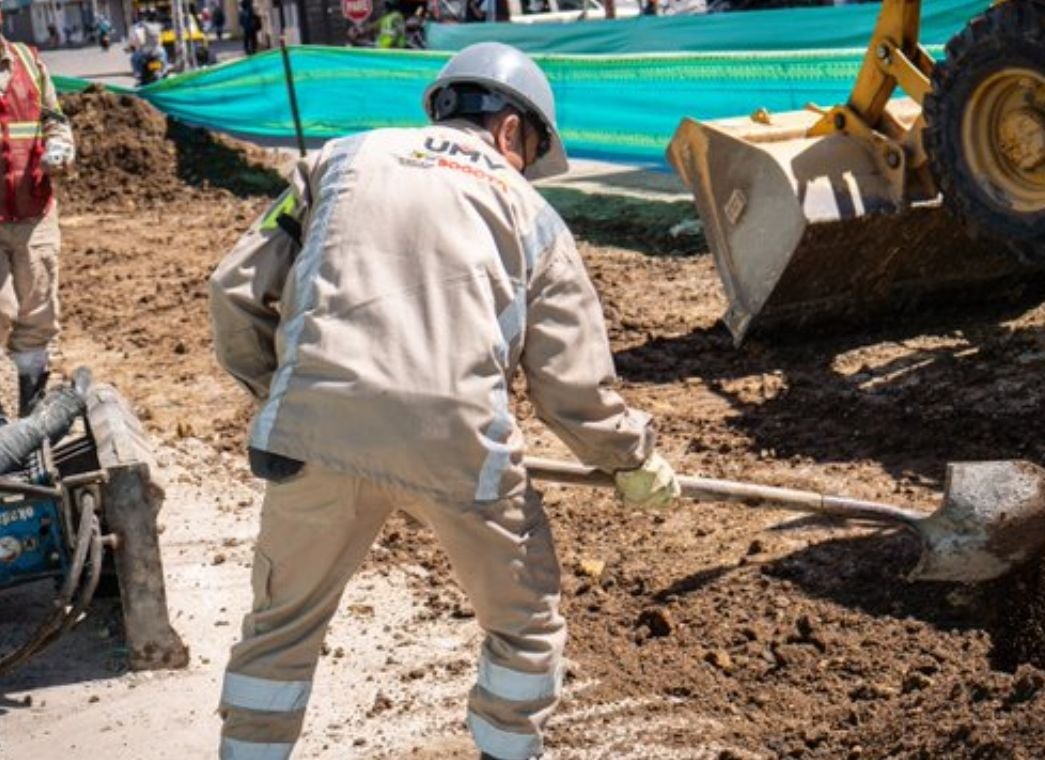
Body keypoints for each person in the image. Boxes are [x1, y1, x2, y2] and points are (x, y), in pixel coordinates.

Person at [209, 41, 680, 760]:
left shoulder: (334, 162)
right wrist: (631, 456)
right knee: (525, 629)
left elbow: (234, 291)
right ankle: (505, 751)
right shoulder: (532, 214)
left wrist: (283, 397)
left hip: (312, 437)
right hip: (461, 453)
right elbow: (571, 387)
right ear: (513, 131)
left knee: (279, 630)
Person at [0, 9, 74, 417]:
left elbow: (53, 119)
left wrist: (61, 144)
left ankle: (31, 408)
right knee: (0, 309)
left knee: (38, 311)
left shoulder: (29, 61)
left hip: (34, 211)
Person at [127, 11, 167, 81]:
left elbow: (135, 40)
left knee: (133, 58)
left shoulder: (139, 26)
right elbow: (160, 39)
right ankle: (164, 71)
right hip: (158, 50)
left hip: (145, 52)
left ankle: (138, 74)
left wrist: (131, 46)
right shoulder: (158, 26)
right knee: (164, 55)